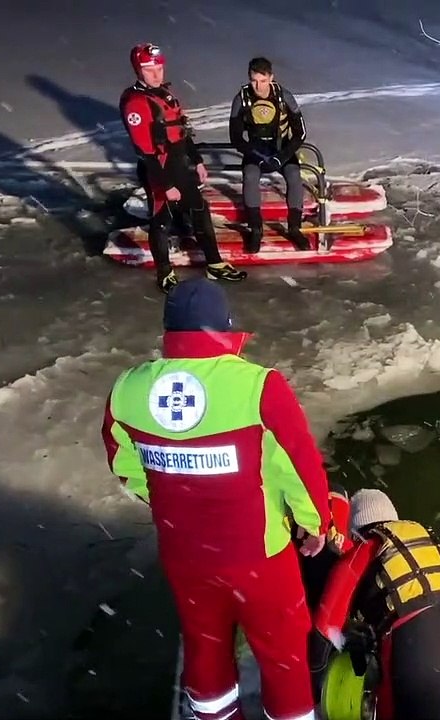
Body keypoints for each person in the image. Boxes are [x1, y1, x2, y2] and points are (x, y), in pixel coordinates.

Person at [100, 277, 348, 720]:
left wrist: (172, 501)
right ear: (226, 328)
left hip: (185, 554)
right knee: (283, 653)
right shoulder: (259, 387)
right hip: (260, 556)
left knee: (205, 642)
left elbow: (125, 465)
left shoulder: (128, 389)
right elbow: (298, 466)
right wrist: (315, 523)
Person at [312, 489, 440, 720]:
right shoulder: (431, 545)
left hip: (421, 661)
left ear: (356, 534)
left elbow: (325, 628)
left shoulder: (366, 548)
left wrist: (315, 683)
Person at [120, 43, 247, 292]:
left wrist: (197, 159)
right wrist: (166, 185)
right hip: (159, 170)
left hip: (180, 165)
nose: (157, 74)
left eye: (159, 68)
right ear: (138, 70)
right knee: (162, 220)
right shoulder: (136, 103)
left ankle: (214, 263)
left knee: (200, 210)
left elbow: (181, 132)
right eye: (149, 69)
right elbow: (145, 152)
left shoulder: (164, 94)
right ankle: (164, 273)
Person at [228, 56, 310, 252]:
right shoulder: (241, 99)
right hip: (255, 150)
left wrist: (281, 157)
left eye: (263, 81)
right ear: (249, 78)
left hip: (281, 148)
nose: (258, 86)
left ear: (271, 78)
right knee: (250, 176)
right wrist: (253, 154)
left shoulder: (285, 97)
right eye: (254, 80)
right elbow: (235, 137)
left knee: (293, 175)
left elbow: (301, 133)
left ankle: (294, 227)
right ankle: (256, 229)